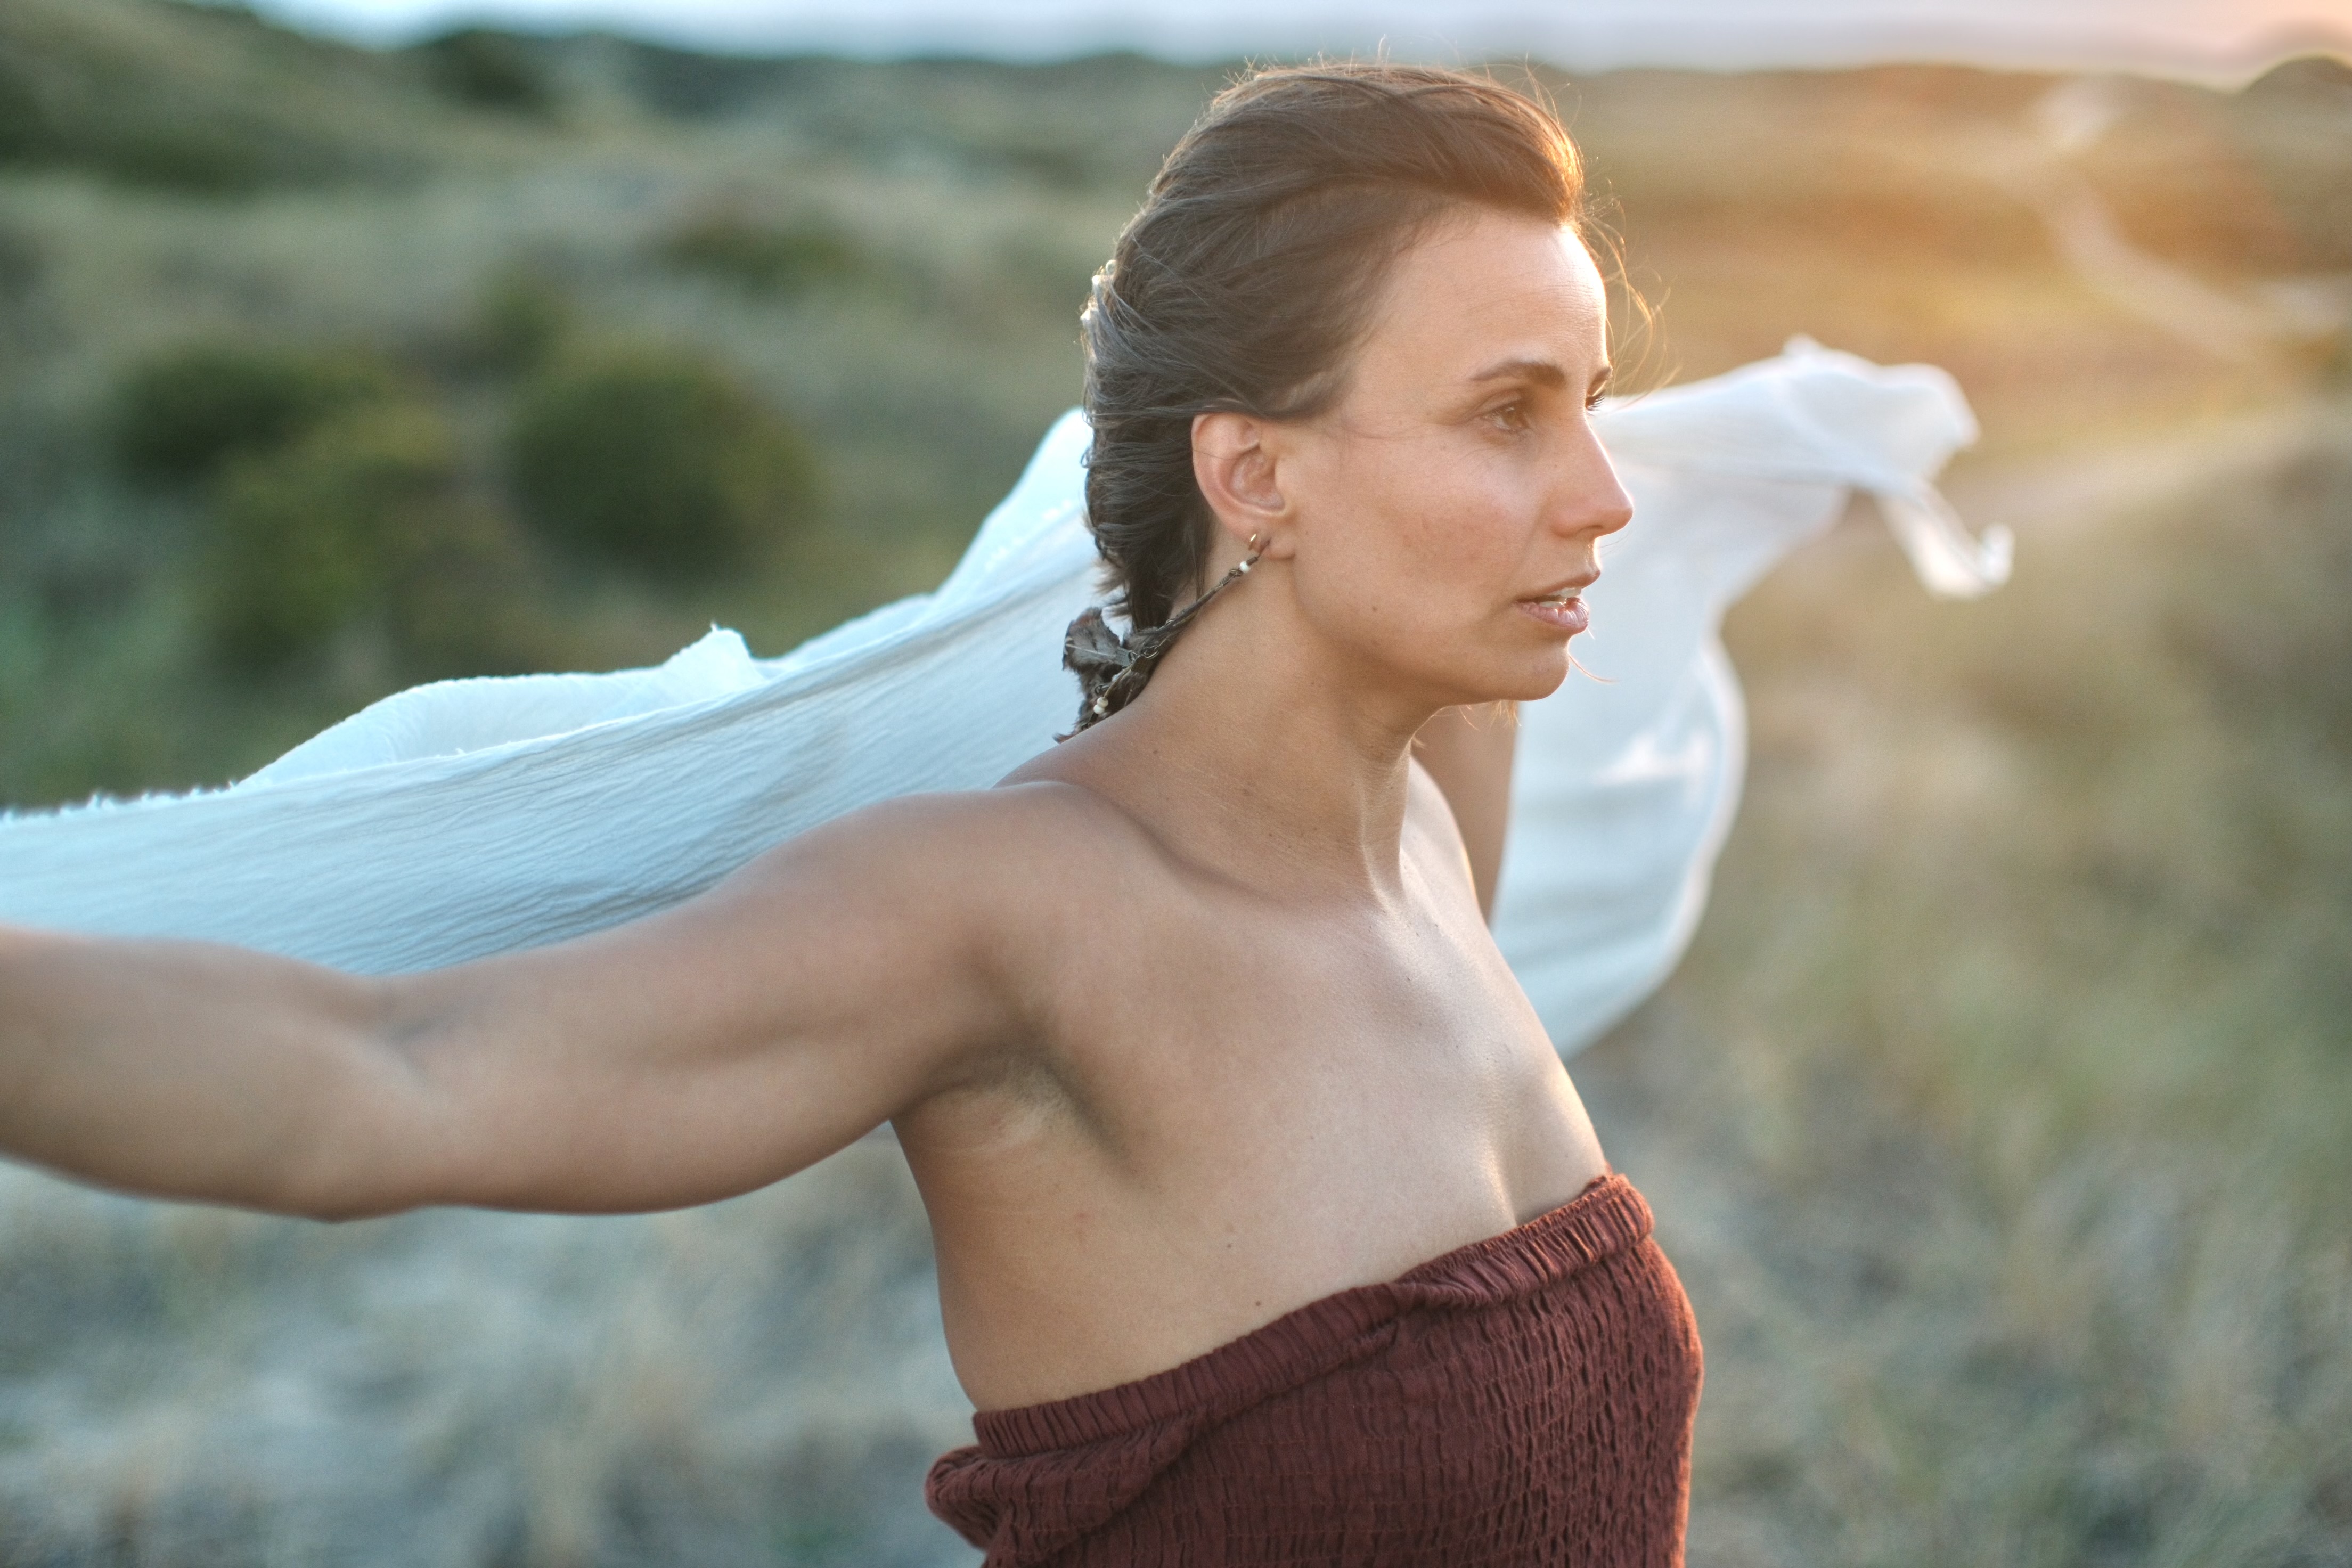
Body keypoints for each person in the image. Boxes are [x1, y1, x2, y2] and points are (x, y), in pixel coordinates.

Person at [0, 63, 1704, 1564]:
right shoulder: (1011, 913)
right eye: (1509, 413)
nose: (1606, 495)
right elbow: (389, 1078)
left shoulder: (1432, 827)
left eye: (1591, 401)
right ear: (1254, 474)